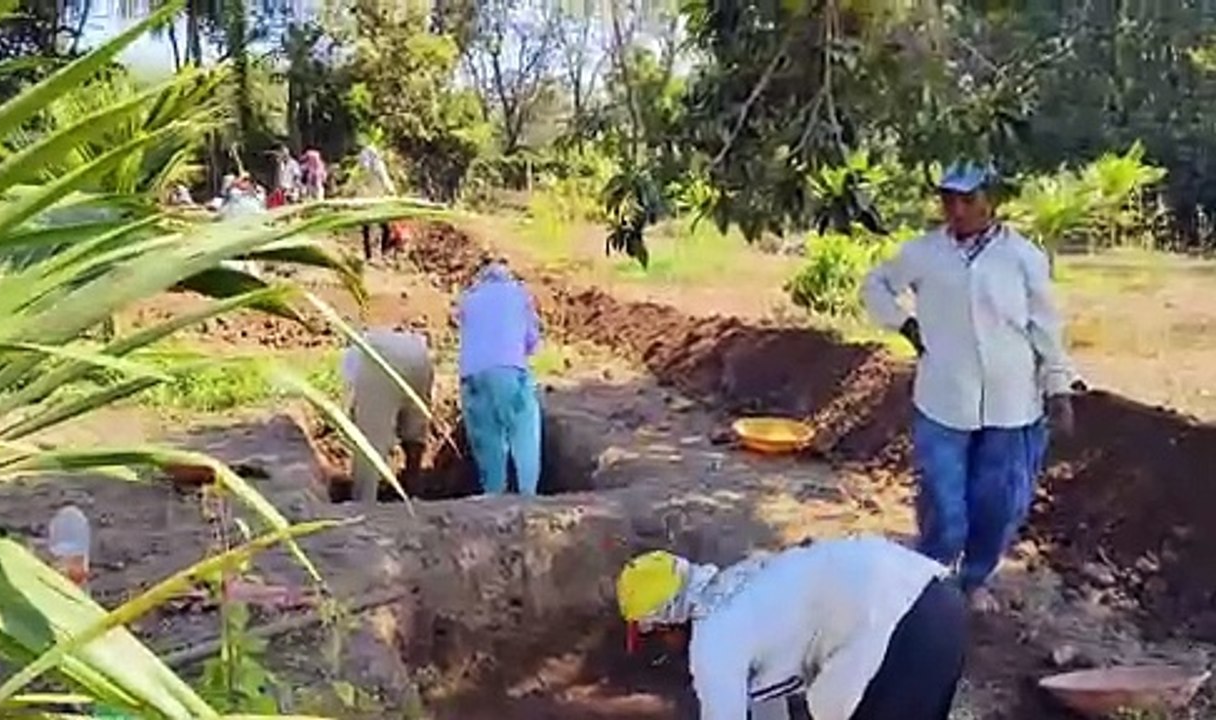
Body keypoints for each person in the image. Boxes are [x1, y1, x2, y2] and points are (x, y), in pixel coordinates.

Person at [861, 161, 1081, 612]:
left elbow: (1045, 327)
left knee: (998, 504)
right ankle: (928, 579)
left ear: (990, 200)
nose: (957, 210)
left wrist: (1058, 387)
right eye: (948, 200)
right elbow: (876, 285)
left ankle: (974, 578)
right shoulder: (925, 252)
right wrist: (904, 323)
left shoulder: (1023, 257)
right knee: (945, 503)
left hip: (1013, 402)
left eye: (968, 199)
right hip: (943, 397)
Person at [615, 536, 966, 720]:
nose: (665, 647)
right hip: (938, 600)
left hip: (897, 630)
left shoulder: (713, 642)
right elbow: (767, 708)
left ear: (667, 622)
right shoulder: (744, 586)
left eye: (656, 637)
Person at [457, 257, 542, 496]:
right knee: (524, 431)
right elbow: (532, 341)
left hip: (472, 376)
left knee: (487, 438)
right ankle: (527, 492)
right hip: (510, 371)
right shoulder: (519, 294)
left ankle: (494, 494)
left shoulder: (469, 298)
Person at [338, 327, 435, 504]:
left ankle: (365, 501)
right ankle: (413, 493)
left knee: (370, 440)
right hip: (419, 351)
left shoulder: (354, 356)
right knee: (415, 429)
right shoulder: (412, 344)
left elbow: (350, 402)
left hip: (377, 354)